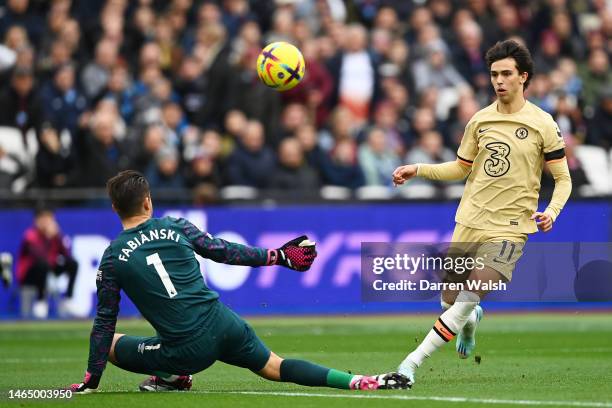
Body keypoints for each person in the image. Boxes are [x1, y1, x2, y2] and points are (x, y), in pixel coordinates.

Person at [67, 170, 408, 393]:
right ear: (147, 202)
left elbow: (104, 320)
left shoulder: (113, 257)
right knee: (275, 366)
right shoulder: (176, 225)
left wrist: (91, 381)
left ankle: (175, 375)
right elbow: (223, 252)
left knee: (112, 342)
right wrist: (278, 256)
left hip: (187, 349)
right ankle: (359, 381)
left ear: (114, 208)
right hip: (224, 322)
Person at [391, 40, 572, 385]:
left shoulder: (542, 123)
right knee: (449, 302)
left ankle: (409, 364)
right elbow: (460, 168)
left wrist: (553, 211)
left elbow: (563, 179)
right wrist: (419, 168)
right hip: (469, 220)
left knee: (465, 299)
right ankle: (472, 320)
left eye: (506, 74)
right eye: (494, 74)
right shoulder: (480, 120)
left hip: (509, 229)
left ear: (523, 77)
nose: (499, 81)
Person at [16, 207, 79, 318]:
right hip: (29, 274)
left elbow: (66, 254)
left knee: (72, 263)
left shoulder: (55, 235)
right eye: (44, 218)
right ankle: (40, 302)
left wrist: (58, 237)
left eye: (50, 218)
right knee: (42, 264)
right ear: (37, 220)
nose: (48, 222)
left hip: (49, 268)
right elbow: (40, 255)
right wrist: (48, 238)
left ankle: (68, 300)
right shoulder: (30, 236)